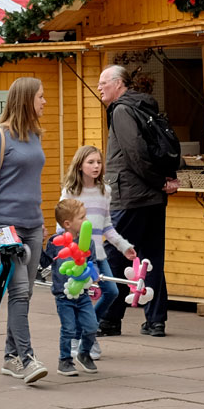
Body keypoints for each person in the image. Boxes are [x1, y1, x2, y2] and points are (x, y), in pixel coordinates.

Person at [0, 76, 50, 385]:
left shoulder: (35, 135)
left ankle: (9, 357)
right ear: (25, 100)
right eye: (41, 97)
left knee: (27, 292)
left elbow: (32, 182)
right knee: (19, 292)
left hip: (33, 225)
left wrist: (41, 219)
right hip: (7, 230)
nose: (45, 102)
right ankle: (26, 358)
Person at [96, 65, 173, 337]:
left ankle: (108, 319)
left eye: (104, 82)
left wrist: (157, 182)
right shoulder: (144, 106)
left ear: (118, 84)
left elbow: (135, 154)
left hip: (130, 196)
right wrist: (161, 183)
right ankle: (156, 321)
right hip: (152, 198)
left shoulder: (121, 110)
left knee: (117, 255)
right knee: (151, 259)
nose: (99, 87)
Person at [57, 145, 136, 360]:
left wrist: (124, 246)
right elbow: (61, 227)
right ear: (80, 165)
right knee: (77, 298)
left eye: (98, 162)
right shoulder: (70, 192)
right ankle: (79, 339)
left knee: (112, 292)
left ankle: (86, 333)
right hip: (77, 257)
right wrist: (68, 249)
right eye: (90, 162)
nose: (96, 166)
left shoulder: (105, 192)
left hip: (98, 255)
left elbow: (107, 227)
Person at [48, 196, 106, 377]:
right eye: (82, 217)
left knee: (91, 326)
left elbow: (92, 262)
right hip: (63, 295)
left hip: (82, 294)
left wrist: (94, 274)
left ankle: (84, 353)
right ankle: (64, 360)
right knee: (69, 329)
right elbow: (44, 261)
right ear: (67, 223)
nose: (86, 221)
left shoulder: (87, 242)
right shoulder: (55, 242)